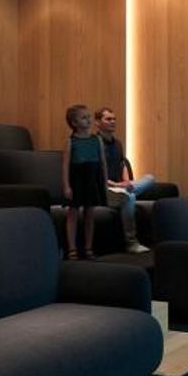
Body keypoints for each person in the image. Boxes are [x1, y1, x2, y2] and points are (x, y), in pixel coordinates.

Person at [94, 106, 156, 253]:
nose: (112, 121)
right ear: (97, 122)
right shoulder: (93, 144)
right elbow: (95, 174)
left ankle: (127, 191)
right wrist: (116, 184)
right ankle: (131, 243)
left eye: (114, 119)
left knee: (150, 178)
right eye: (108, 119)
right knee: (129, 198)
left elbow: (122, 164)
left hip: (119, 187)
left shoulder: (117, 144)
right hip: (104, 189)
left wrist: (126, 182)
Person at [62, 104, 107, 260]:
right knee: (73, 213)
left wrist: (104, 182)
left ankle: (88, 247)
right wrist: (66, 186)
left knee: (90, 213)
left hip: (92, 179)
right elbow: (65, 165)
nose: (88, 120)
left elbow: (103, 163)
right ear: (74, 123)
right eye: (84, 118)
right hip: (77, 180)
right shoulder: (71, 141)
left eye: (89, 117)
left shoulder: (97, 140)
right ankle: (72, 248)